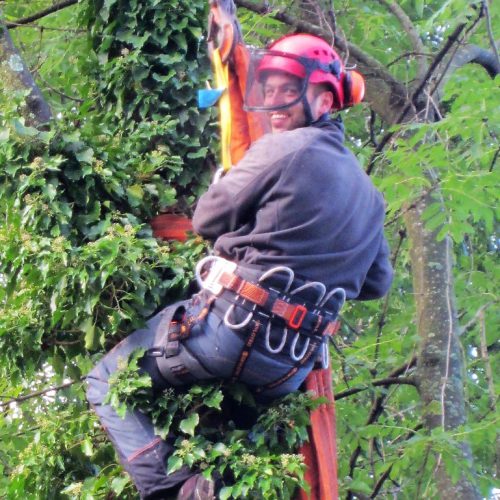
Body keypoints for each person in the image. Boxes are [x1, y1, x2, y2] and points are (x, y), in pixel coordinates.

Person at [86, 33, 393, 500]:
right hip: (287, 371)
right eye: (267, 89)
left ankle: (173, 492)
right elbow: (376, 282)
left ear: (324, 98)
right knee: (231, 435)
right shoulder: (371, 199)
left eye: (286, 90)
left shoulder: (284, 148)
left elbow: (208, 218)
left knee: (105, 377)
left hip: (226, 333)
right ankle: (214, 487)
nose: (272, 102)